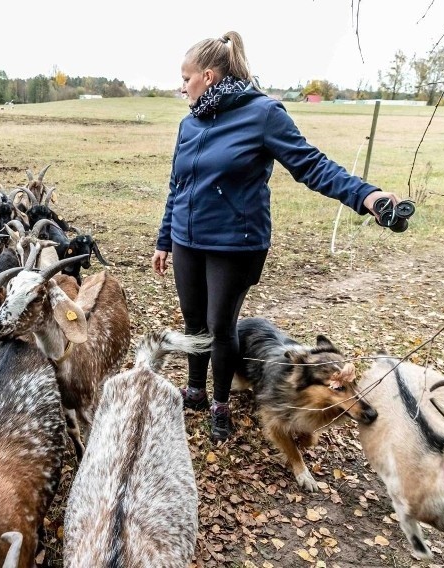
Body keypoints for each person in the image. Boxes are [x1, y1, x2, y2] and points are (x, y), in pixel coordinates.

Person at [151, 31, 400, 442]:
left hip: (234, 245)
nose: (181, 86)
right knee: (194, 321)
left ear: (208, 76)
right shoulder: (189, 123)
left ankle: (220, 404)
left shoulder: (263, 114)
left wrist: (367, 197)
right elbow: (177, 187)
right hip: (186, 241)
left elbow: (312, 165)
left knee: (220, 326)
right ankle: (194, 392)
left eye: (186, 77)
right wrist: (165, 239)